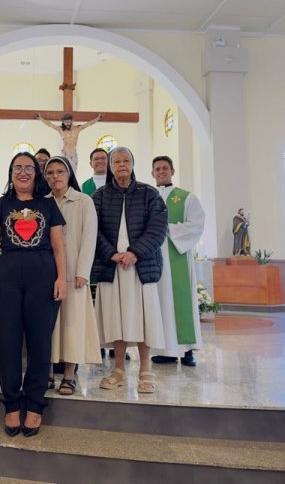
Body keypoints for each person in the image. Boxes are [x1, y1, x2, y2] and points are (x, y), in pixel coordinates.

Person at [0, 152, 66, 437]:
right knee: (7, 342)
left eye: (28, 168)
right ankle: (10, 405)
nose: (22, 172)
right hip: (6, 276)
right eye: (17, 167)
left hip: (43, 276)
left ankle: (34, 405)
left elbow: (58, 246)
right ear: (11, 173)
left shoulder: (48, 204)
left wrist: (62, 278)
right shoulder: (3, 203)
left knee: (39, 343)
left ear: (36, 173)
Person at [92, 147, 167, 393]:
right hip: (111, 266)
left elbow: (157, 229)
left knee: (143, 317)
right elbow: (94, 230)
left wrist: (135, 252)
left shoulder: (149, 194)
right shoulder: (100, 196)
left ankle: (146, 369)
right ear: (110, 166)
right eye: (117, 161)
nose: (121, 164)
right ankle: (119, 370)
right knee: (116, 318)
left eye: (126, 160)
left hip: (140, 266)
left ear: (133, 164)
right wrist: (111, 254)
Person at [44, 156, 101, 395]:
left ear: (68, 175)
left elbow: (90, 238)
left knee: (72, 324)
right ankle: (45, 372)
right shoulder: (41, 202)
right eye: (50, 173)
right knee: (47, 326)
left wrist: (82, 272)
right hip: (46, 273)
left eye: (60, 172)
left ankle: (69, 373)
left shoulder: (83, 201)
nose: (55, 176)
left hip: (75, 273)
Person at [149, 156, 205, 368]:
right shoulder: (149, 196)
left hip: (176, 254)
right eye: (157, 169)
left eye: (165, 168)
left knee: (182, 301)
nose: (161, 171)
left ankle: (187, 349)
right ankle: (165, 350)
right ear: (152, 173)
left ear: (172, 170)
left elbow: (196, 224)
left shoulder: (186, 197)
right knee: (159, 302)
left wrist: (168, 229)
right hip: (153, 257)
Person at [36, 113, 103, 171]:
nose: (67, 123)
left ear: (71, 121)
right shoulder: (61, 130)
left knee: (73, 171)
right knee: (65, 170)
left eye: (68, 121)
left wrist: (97, 118)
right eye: (65, 122)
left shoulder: (77, 128)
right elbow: (50, 124)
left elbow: (88, 124)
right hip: (65, 152)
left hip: (73, 152)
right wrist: (40, 118)